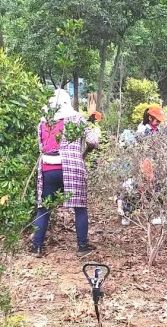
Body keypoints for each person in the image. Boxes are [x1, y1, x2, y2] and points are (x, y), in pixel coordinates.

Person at [31, 89, 99, 258]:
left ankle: (37, 247)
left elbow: (41, 147)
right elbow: (93, 141)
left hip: (48, 167)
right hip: (72, 167)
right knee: (79, 207)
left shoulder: (43, 122)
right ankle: (82, 246)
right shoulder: (76, 118)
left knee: (44, 208)